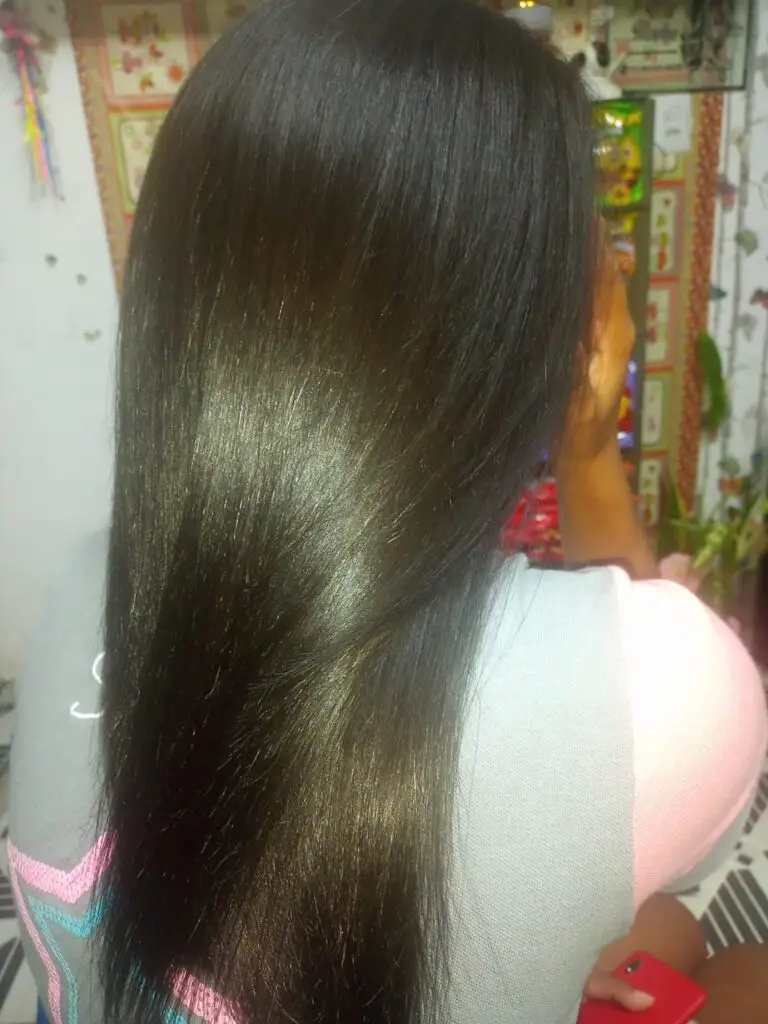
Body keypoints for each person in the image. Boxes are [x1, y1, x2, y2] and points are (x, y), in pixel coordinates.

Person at [9, 1, 768, 1022]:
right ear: (542, 335)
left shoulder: (83, 586)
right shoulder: (671, 686)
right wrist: (590, 450)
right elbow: (657, 827)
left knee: (654, 936)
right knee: (746, 968)